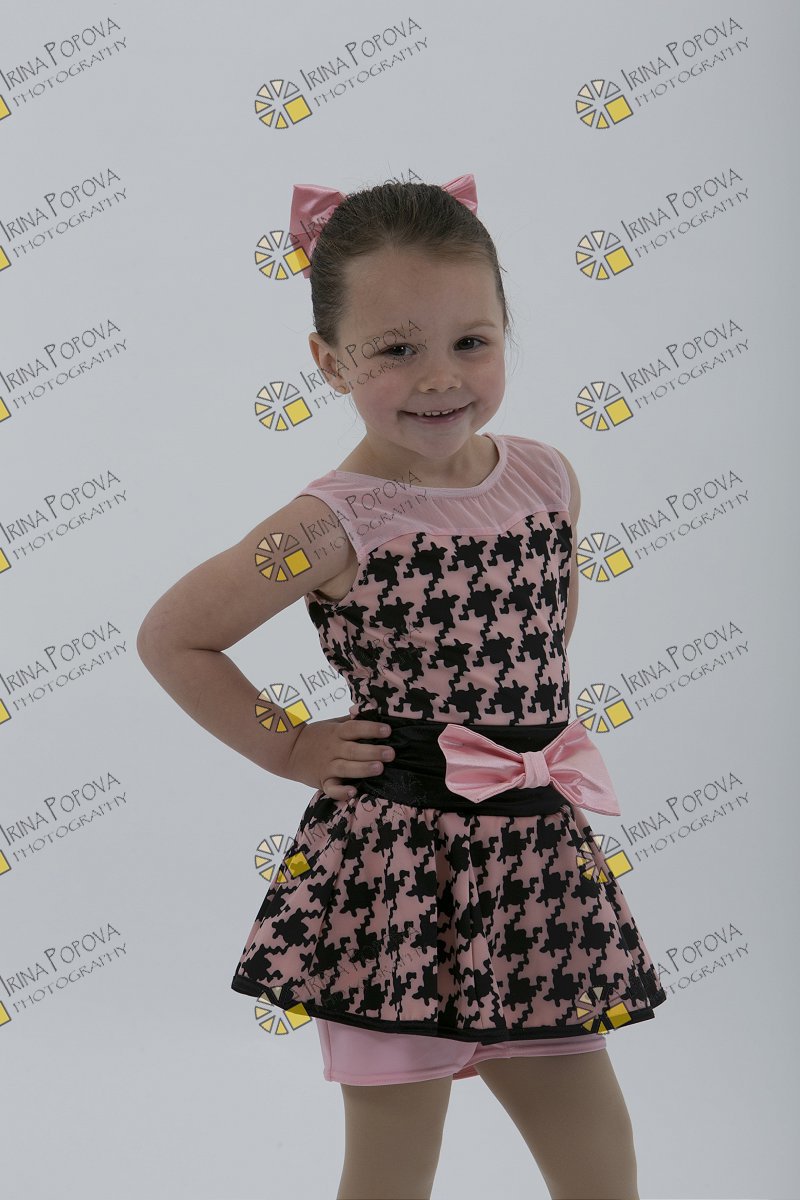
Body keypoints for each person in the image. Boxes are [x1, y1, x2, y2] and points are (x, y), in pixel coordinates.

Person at [137, 174, 667, 1200]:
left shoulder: (547, 478)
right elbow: (175, 637)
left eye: (471, 342)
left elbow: (543, 635)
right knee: (391, 1168)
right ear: (329, 361)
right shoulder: (332, 521)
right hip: (396, 874)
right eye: (394, 350)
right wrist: (291, 745)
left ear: (506, 332)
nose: (439, 378)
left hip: (534, 862)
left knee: (601, 1159)